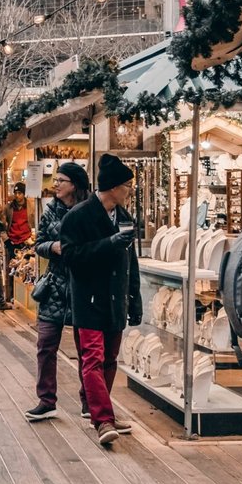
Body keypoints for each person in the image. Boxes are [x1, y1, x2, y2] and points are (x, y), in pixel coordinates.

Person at [59, 155, 143, 445]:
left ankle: (103, 409)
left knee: (109, 360)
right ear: (114, 188)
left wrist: (134, 297)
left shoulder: (124, 218)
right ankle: (103, 419)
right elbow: (70, 256)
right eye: (127, 186)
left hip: (115, 299)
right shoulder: (78, 216)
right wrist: (107, 245)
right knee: (92, 359)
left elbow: (130, 260)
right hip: (89, 299)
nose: (130, 191)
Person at [23, 162, 91, 422]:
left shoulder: (90, 210)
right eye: (56, 179)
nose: (56, 184)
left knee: (85, 348)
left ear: (74, 184)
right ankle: (46, 400)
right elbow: (39, 243)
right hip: (54, 285)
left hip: (83, 285)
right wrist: (53, 247)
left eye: (61, 180)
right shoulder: (50, 210)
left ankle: (89, 401)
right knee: (45, 344)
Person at [4, 183, 32, 306]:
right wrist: (7, 240)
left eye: (19, 193)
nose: (17, 195)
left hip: (27, 241)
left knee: (26, 270)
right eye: (15, 193)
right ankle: (11, 296)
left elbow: (33, 221)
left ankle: (25, 298)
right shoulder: (9, 208)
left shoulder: (31, 206)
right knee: (11, 270)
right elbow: (4, 225)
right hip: (13, 242)